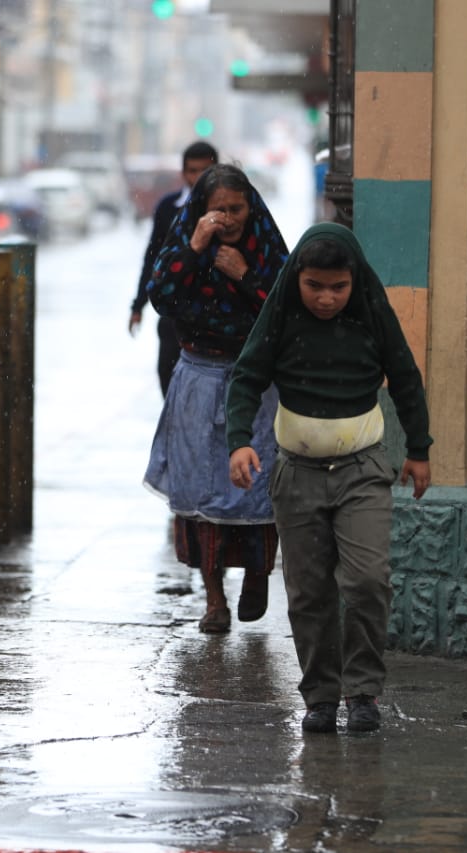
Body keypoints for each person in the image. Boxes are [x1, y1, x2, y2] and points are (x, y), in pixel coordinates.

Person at [225, 222, 432, 734]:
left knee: (366, 581)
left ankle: (363, 692)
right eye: (314, 285)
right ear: (297, 278)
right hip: (297, 475)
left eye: (337, 287)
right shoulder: (281, 319)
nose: (325, 297)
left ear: (354, 281)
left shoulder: (370, 314)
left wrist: (419, 450)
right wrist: (239, 441)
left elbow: (405, 375)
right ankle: (320, 696)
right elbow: (247, 375)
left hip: (363, 471)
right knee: (309, 591)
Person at [144, 163, 290, 634]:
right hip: (198, 376)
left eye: (236, 209)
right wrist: (195, 248)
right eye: (216, 210)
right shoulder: (187, 242)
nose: (227, 218)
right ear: (200, 210)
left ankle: (255, 577)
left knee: (255, 484)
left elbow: (287, 307)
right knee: (200, 486)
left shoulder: (265, 245)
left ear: (252, 208)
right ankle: (213, 599)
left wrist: (246, 276)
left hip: (254, 379)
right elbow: (161, 297)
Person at [129, 140, 219, 397]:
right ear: (183, 173)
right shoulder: (169, 208)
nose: (198, 177)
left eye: (205, 170)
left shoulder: (230, 209)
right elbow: (153, 258)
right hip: (174, 315)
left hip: (216, 318)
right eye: (192, 170)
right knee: (169, 387)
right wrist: (138, 305)